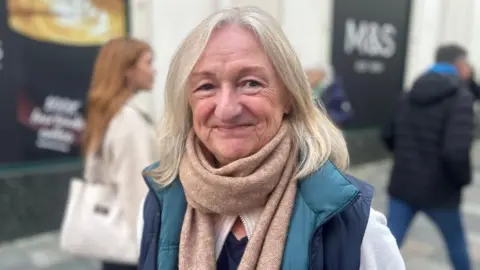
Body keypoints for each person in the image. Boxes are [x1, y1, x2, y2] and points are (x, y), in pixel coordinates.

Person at [139, 6, 404, 270]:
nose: (227, 109)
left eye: (251, 83)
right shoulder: (160, 203)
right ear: (187, 102)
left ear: (288, 96)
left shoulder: (351, 221)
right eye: (206, 86)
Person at [382, 44, 474, 270]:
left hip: (403, 184)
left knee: (386, 248)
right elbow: (456, 152)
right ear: (460, 64)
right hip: (440, 191)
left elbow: (387, 135)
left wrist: (406, 159)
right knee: (456, 245)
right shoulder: (461, 97)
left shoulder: (409, 93)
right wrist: (462, 180)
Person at [82, 37, 156, 270]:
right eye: (148, 62)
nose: (154, 70)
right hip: (133, 246)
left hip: (112, 239)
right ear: (127, 71)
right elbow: (137, 191)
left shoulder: (106, 116)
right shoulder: (128, 121)